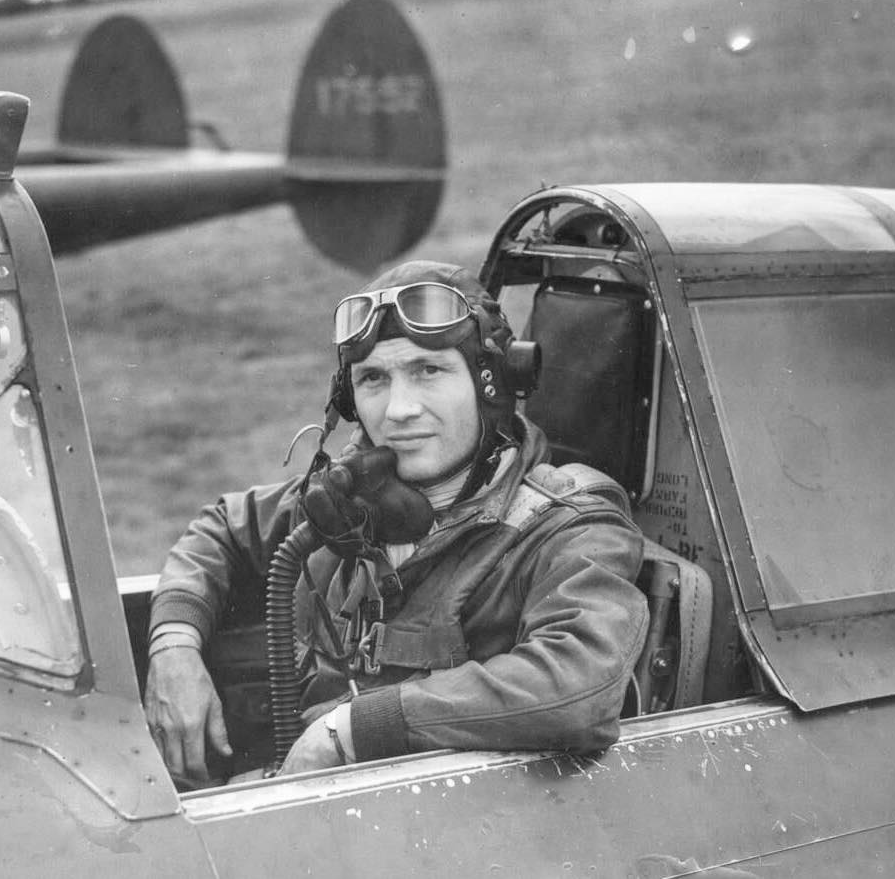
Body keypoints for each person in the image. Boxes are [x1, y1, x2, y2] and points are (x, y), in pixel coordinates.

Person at [145, 260, 649, 781]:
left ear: (490, 384)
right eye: (373, 379)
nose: (399, 409)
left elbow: (578, 684)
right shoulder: (349, 500)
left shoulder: (569, 527)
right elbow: (222, 527)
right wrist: (175, 644)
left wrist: (349, 731)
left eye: (428, 371)